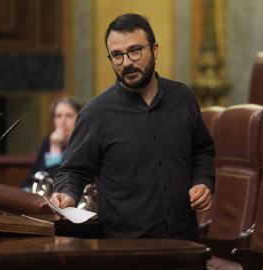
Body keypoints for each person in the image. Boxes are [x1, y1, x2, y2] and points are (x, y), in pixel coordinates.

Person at [51, 13, 215, 241]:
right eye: (117, 55)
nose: (126, 62)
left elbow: (202, 151)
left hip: (184, 243)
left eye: (135, 50)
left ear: (155, 49)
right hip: (125, 248)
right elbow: (74, 171)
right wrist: (67, 193)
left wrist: (203, 181)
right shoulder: (95, 113)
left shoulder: (183, 98)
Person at [21, 97, 83, 190]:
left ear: (79, 119)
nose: (63, 121)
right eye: (58, 116)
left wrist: (55, 148)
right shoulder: (48, 140)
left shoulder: (82, 144)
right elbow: (31, 178)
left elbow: (58, 187)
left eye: (69, 116)